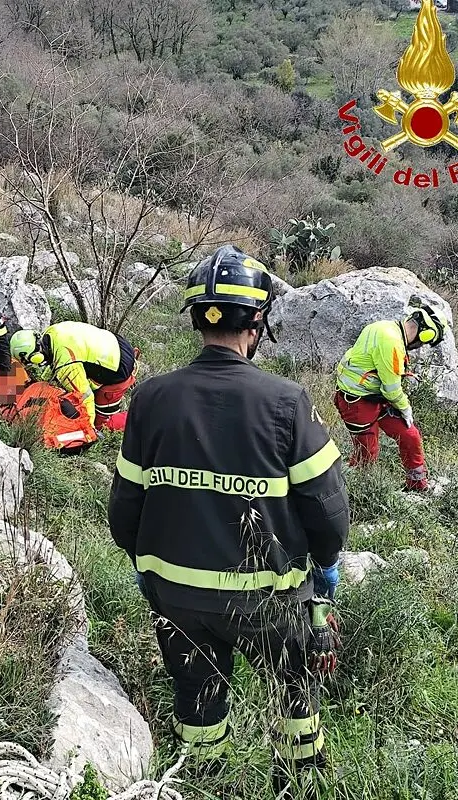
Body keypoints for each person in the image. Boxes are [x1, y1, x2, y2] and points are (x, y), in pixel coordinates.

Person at [108, 244, 350, 799]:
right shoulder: (287, 402)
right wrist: (326, 567)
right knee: (294, 692)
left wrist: (150, 569)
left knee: (196, 697)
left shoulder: (150, 399)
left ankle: (202, 782)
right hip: (268, 602)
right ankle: (296, 785)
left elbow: (124, 511)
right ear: (257, 323)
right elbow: (328, 512)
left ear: (198, 319)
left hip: (175, 597)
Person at [333, 303, 448, 492]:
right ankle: (346, 490)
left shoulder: (383, 326)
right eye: (426, 342)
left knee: (410, 435)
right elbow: (391, 390)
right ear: (425, 334)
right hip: (357, 403)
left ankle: (417, 485)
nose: (421, 346)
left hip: (376, 398)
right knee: (367, 456)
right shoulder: (391, 342)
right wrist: (405, 408)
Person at [8, 320, 138, 432]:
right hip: (115, 344)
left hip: (119, 367)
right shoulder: (51, 332)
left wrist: (89, 430)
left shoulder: (65, 365)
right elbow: (56, 364)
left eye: (30, 362)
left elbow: (85, 397)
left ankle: (140, 418)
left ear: (35, 357)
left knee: (102, 424)